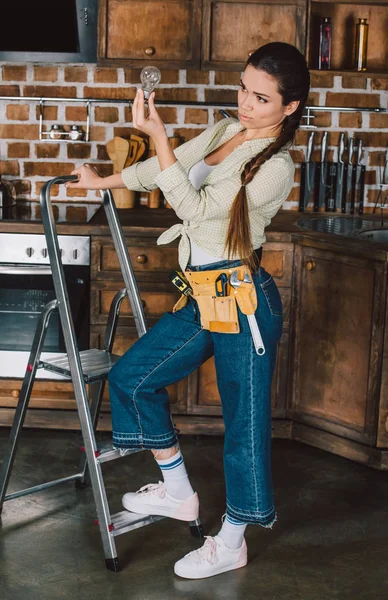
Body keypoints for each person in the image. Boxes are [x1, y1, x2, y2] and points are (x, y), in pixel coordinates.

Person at [67, 41, 310, 579]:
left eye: (262, 98)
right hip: (203, 297)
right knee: (133, 377)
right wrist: (101, 182)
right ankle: (179, 494)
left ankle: (232, 541)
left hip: (244, 302)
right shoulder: (226, 132)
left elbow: (197, 211)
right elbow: (163, 169)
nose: (246, 103)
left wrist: (158, 136)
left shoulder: (276, 168)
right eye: (244, 89)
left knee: (243, 426)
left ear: (289, 107)